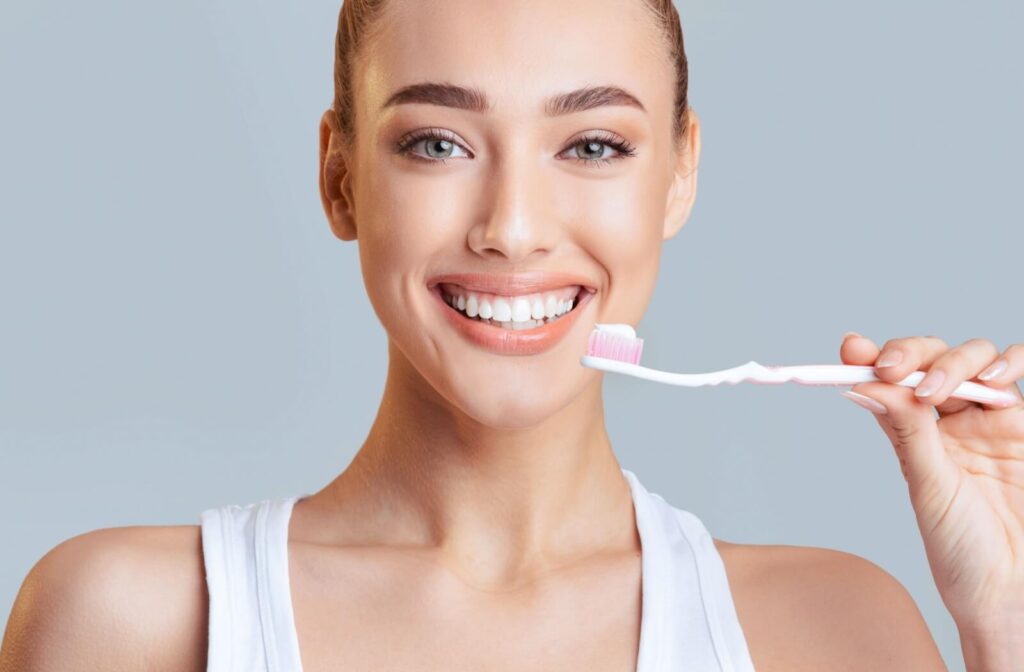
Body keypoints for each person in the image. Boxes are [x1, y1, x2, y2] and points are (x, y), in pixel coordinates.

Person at [2, 0, 1021, 670]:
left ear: (679, 173)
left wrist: (1007, 620)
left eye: (593, 145)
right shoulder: (124, 622)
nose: (513, 227)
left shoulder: (836, 632)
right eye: (437, 142)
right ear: (340, 176)